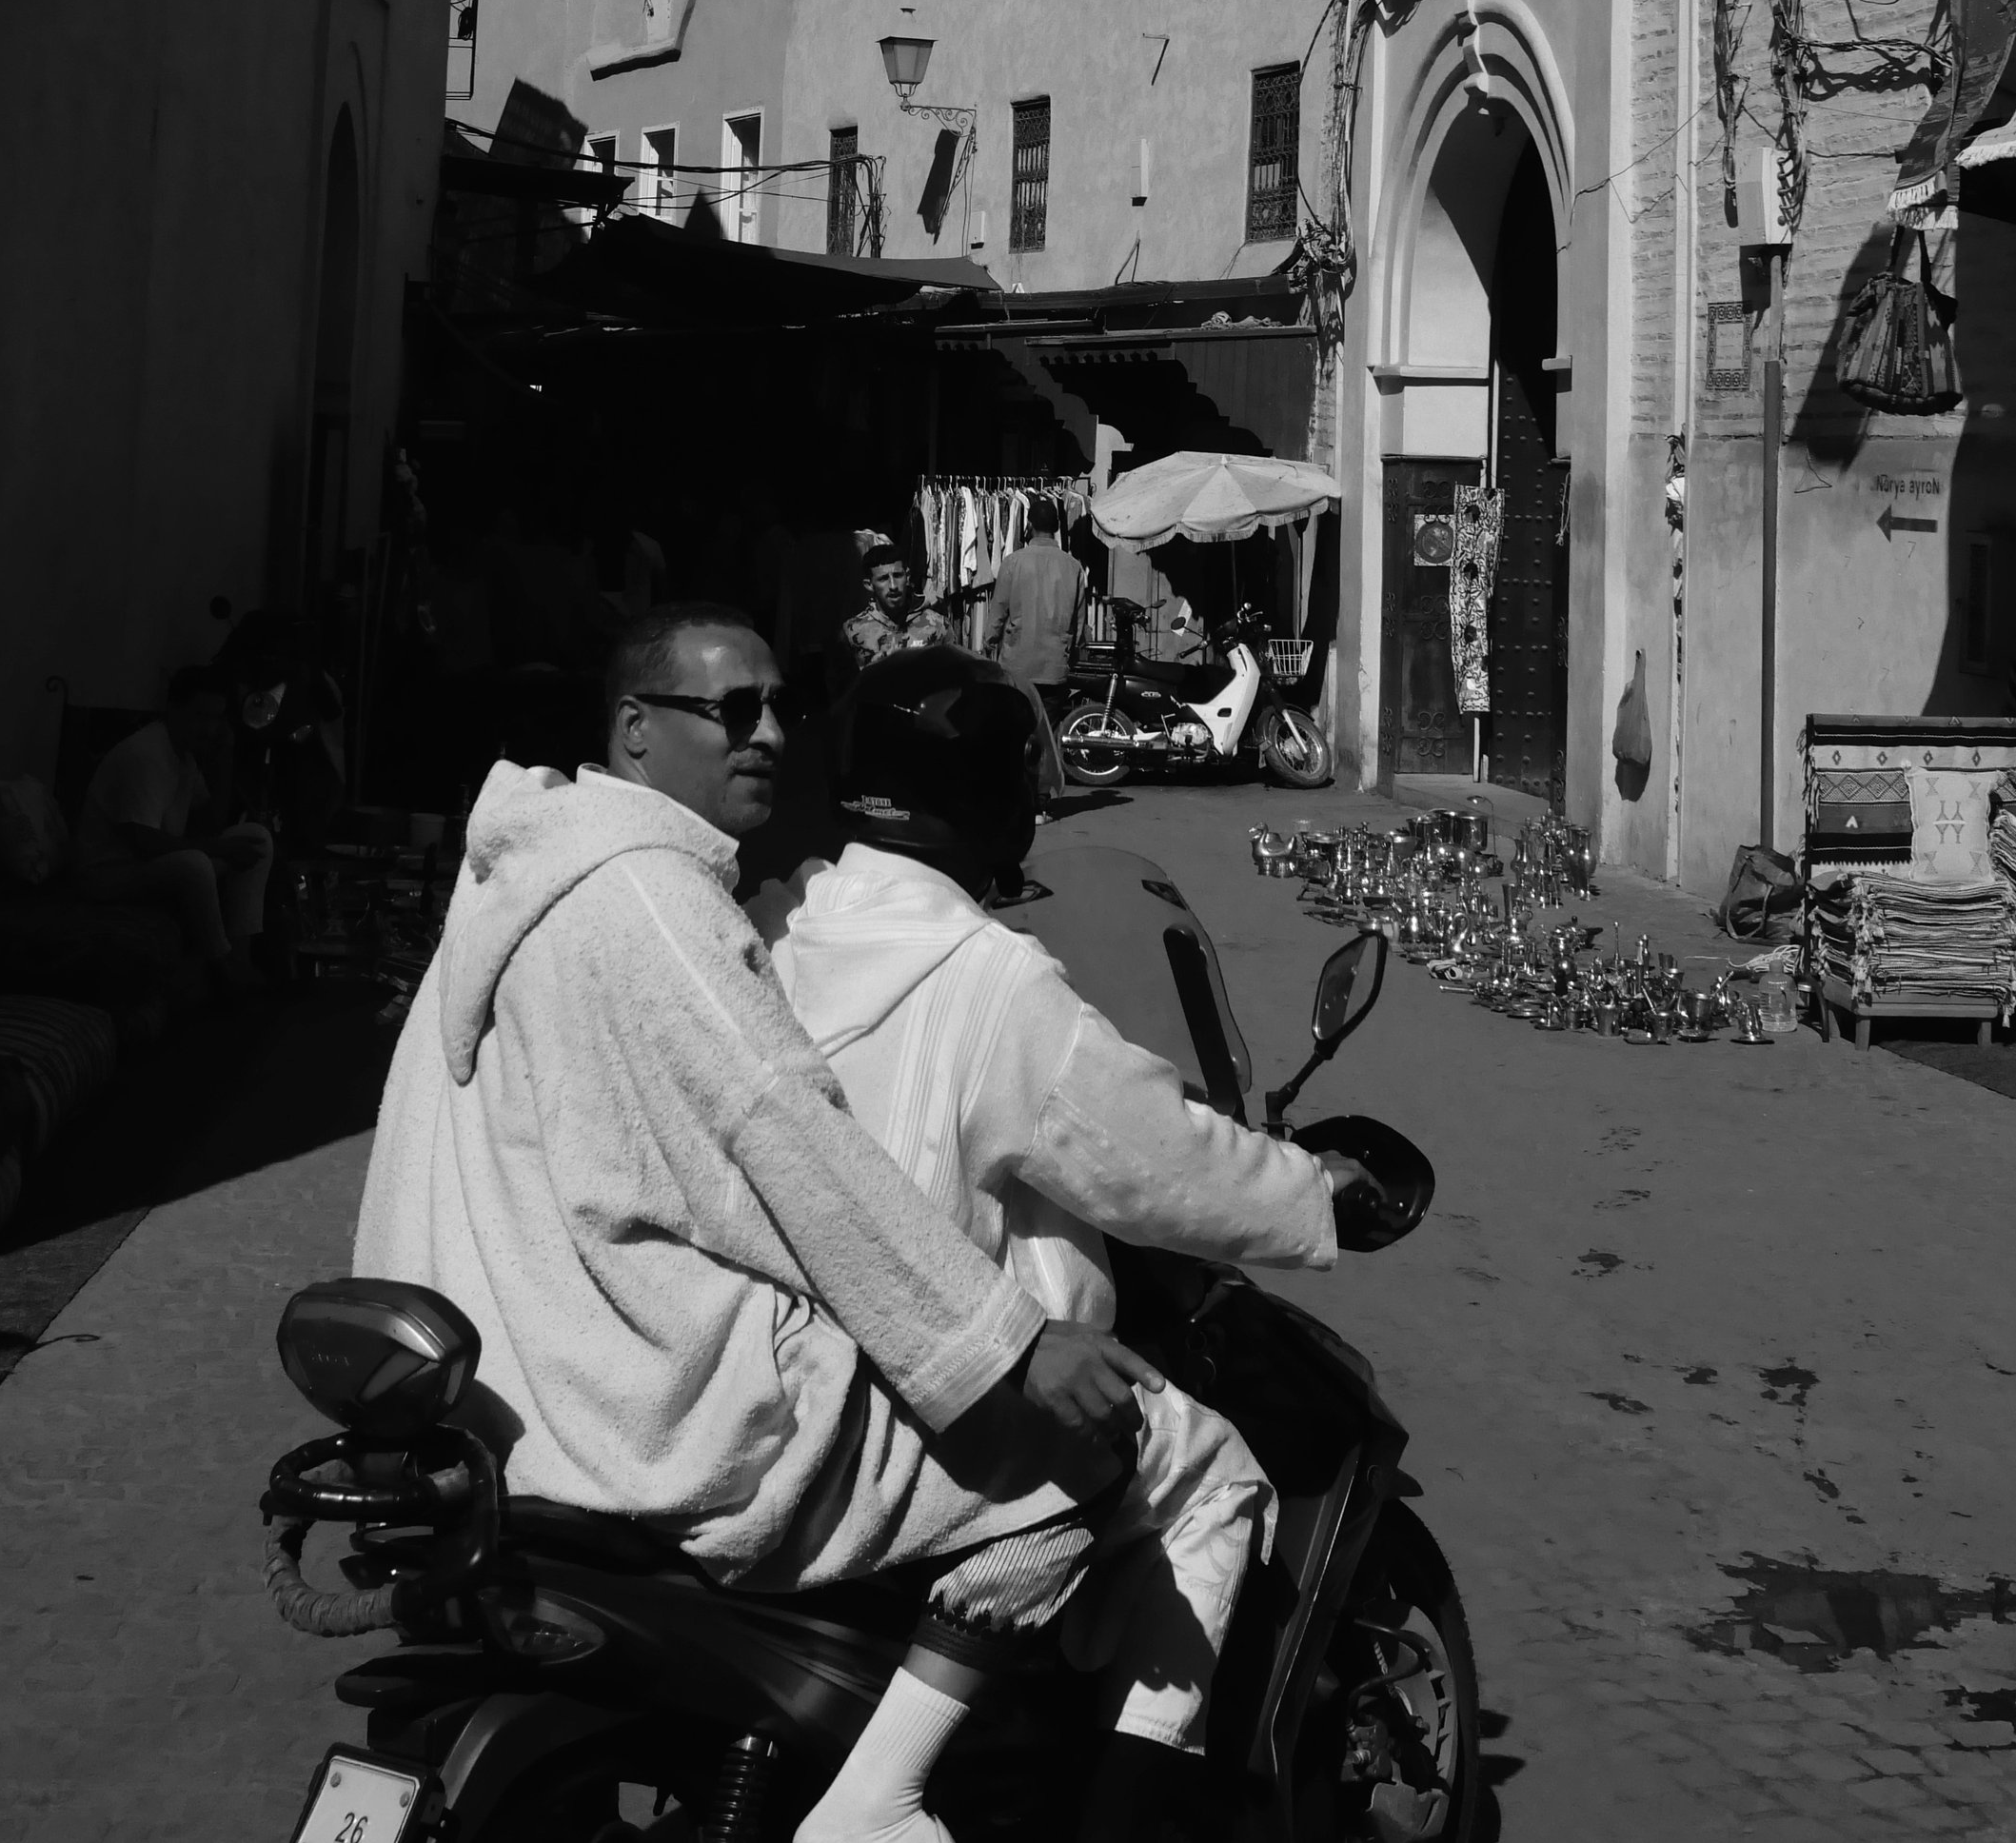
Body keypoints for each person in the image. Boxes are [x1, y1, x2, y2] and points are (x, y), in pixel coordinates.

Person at [354, 604, 1161, 1843]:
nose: (770, 734)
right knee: (1069, 1472)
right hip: (643, 1419)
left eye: (784, 707)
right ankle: (876, 1803)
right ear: (633, 730)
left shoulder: (514, 880)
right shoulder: (650, 903)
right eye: (732, 710)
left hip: (510, 1395)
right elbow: (795, 1147)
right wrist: (1010, 1344)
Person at [767, 644, 1371, 1840]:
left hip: (784, 1378)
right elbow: (1155, 1160)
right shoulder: (989, 980)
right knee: (1212, 1480)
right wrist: (1310, 1194)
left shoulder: (781, 927)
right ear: (997, 800)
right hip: (941, 1392)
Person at [74, 665, 273, 995]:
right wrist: (219, 850)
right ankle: (222, 963)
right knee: (192, 863)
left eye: (216, 718)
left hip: (149, 864)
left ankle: (242, 955)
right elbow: (143, 842)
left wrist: (224, 759)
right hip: (108, 874)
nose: (209, 728)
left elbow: (211, 823)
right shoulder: (146, 754)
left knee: (255, 838)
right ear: (173, 709)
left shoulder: (185, 757)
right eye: (200, 716)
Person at [981, 496, 1085, 709]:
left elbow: (998, 610)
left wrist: (989, 641)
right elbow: (1079, 621)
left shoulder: (1013, 562)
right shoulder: (1073, 567)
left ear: (1029, 525)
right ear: (1057, 527)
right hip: (1054, 667)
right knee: (1048, 730)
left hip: (1017, 666)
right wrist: (1072, 653)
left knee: (1016, 731)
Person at [835, 531, 952, 692]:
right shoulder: (852, 631)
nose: (893, 586)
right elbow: (841, 693)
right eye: (883, 579)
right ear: (869, 585)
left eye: (897, 575)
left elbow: (955, 681)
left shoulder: (938, 626)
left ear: (908, 576)